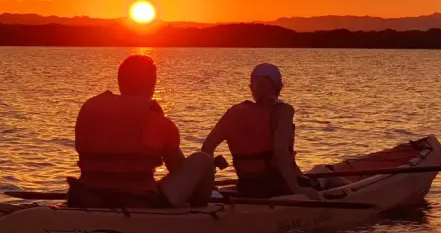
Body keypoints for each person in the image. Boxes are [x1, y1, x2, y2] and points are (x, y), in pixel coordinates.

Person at [71, 55, 215, 208]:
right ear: (152, 84)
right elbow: (177, 168)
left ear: (120, 82)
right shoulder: (155, 117)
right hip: (138, 200)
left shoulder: (90, 107)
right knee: (203, 159)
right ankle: (199, 215)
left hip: (87, 195)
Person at [202, 63, 320, 199]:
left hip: (246, 186)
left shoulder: (233, 113)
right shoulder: (283, 111)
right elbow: (281, 153)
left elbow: (207, 148)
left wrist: (208, 183)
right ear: (279, 87)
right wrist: (297, 190)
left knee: (316, 174)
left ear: (252, 88)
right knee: (325, 175)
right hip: (278, 187)